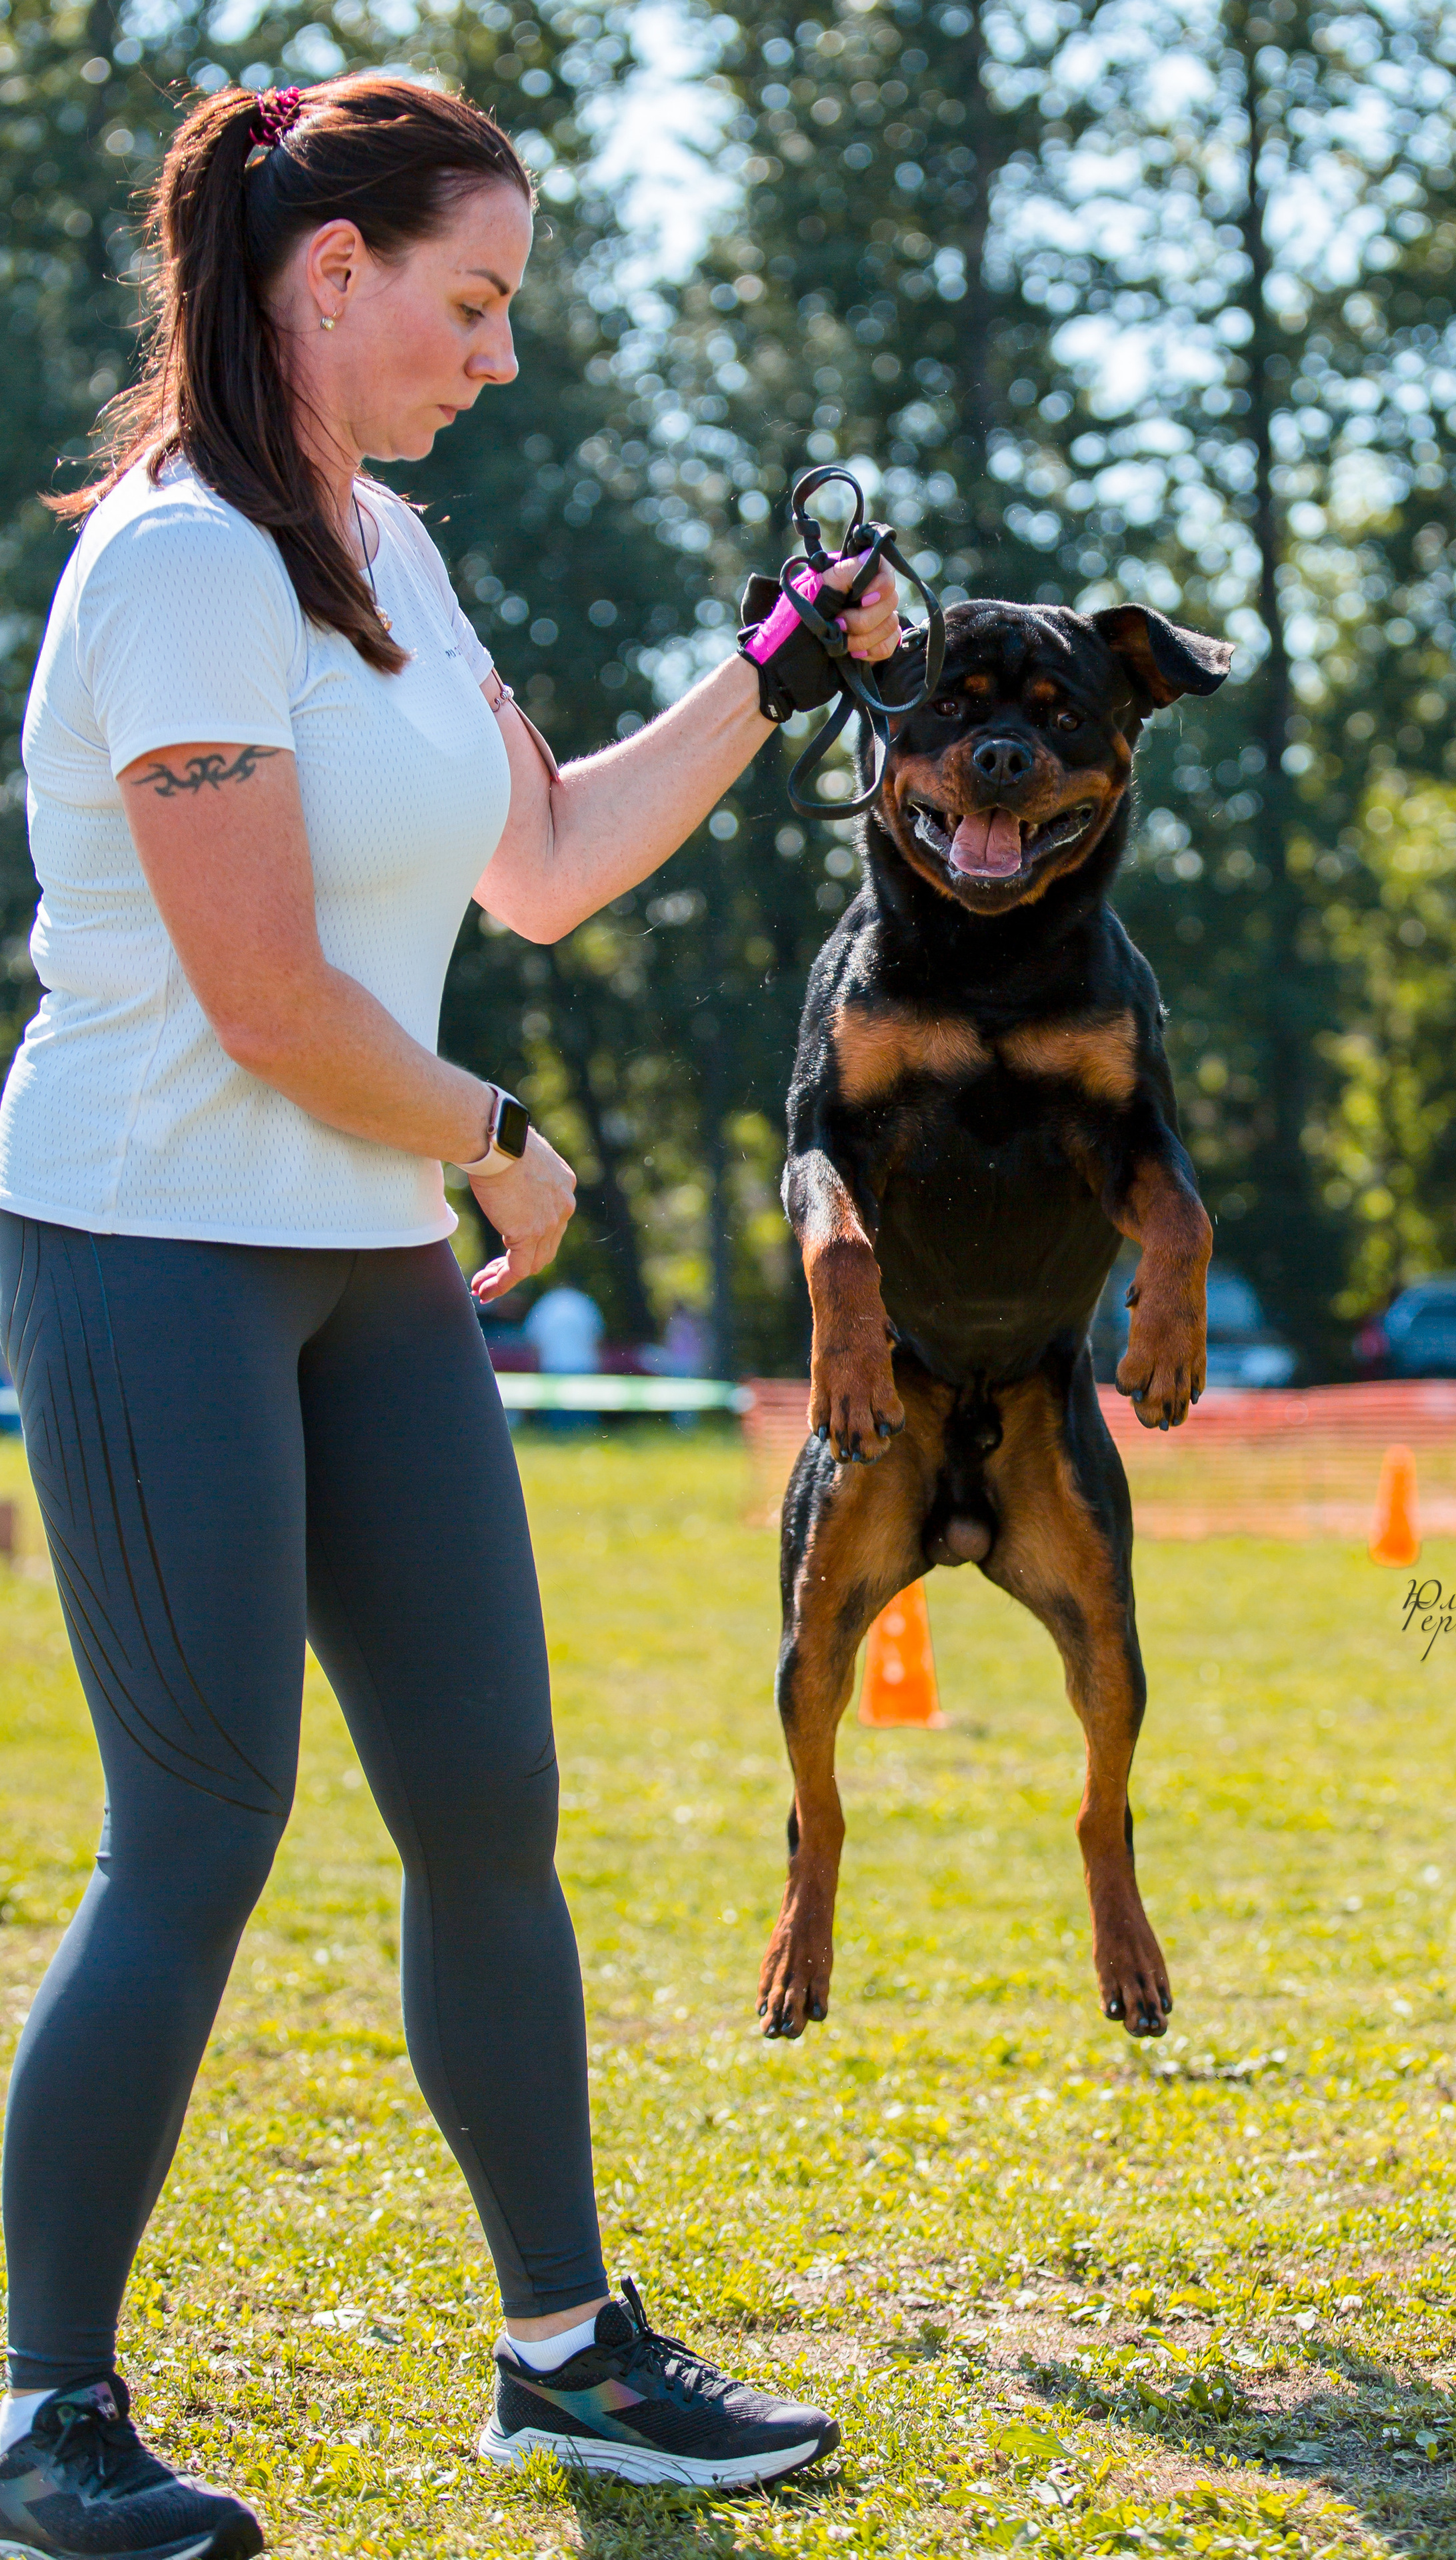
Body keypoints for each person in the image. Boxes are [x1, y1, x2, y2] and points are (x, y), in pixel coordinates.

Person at [0, 74, 901, 2559]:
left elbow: (550, 857)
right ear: (329, 278)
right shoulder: (179, 564)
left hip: (364, 1261)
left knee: (487, 1804)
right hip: (151, 1248)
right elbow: (268, 997)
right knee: (201, 1826)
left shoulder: (382, 544)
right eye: (472, 303)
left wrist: (779, 662)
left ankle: (563, 2352)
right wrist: (500, 1136)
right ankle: (44, 2413)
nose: (499, 356)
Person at [523, 1279, 605, 1375]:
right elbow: (598, 1338)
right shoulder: (584, 1302)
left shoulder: (545, 1303)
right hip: (584, 1366)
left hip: (552, 1366)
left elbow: (533, 1340)